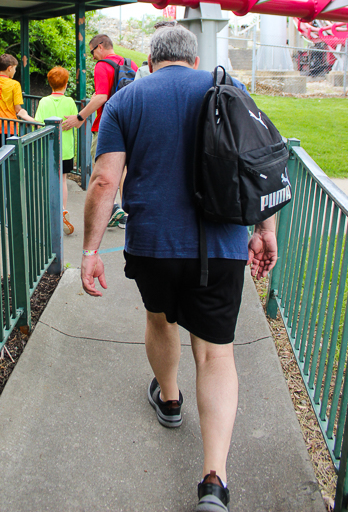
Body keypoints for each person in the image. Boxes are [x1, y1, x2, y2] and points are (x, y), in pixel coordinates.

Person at [80, 25, 278, 512]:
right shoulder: (228, 88)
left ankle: (169, 399)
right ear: (194, 60)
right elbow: (262, 162)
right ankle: (214, 479)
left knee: (160, 318)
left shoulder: (126, 99)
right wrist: (265, 230)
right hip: (224, 245)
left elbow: (106, 179)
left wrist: (89, 251)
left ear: (150, 61)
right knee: (215, 355)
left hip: (153, 245)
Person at [62, 34, 137, 228]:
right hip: (130, 124)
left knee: (101, 171)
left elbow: (101, 96)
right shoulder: (131, 64)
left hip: (107, 125)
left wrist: (79, 117)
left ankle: (109, 211)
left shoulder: (102, 66)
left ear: (101, 46)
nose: (93, 56)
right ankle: (125, 213)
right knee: (125, 169)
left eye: (93, 51)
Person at [35, 67, 78, 235]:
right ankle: (62, 210)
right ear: (66, 84)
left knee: (50, 180)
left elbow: (39, 123)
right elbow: (77, 122)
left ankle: (51, 211)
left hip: (48, 148)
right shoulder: (70, 102)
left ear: (49, 83)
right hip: (65, 149)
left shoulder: (44, 101)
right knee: (63, 180)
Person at [0, 54, 37, 146]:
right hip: (10, 126)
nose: (15, 71)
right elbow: (17, 109)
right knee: (10, 154)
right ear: (9, 68)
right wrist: (27, 117)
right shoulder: (15, 85)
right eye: (15, 68)